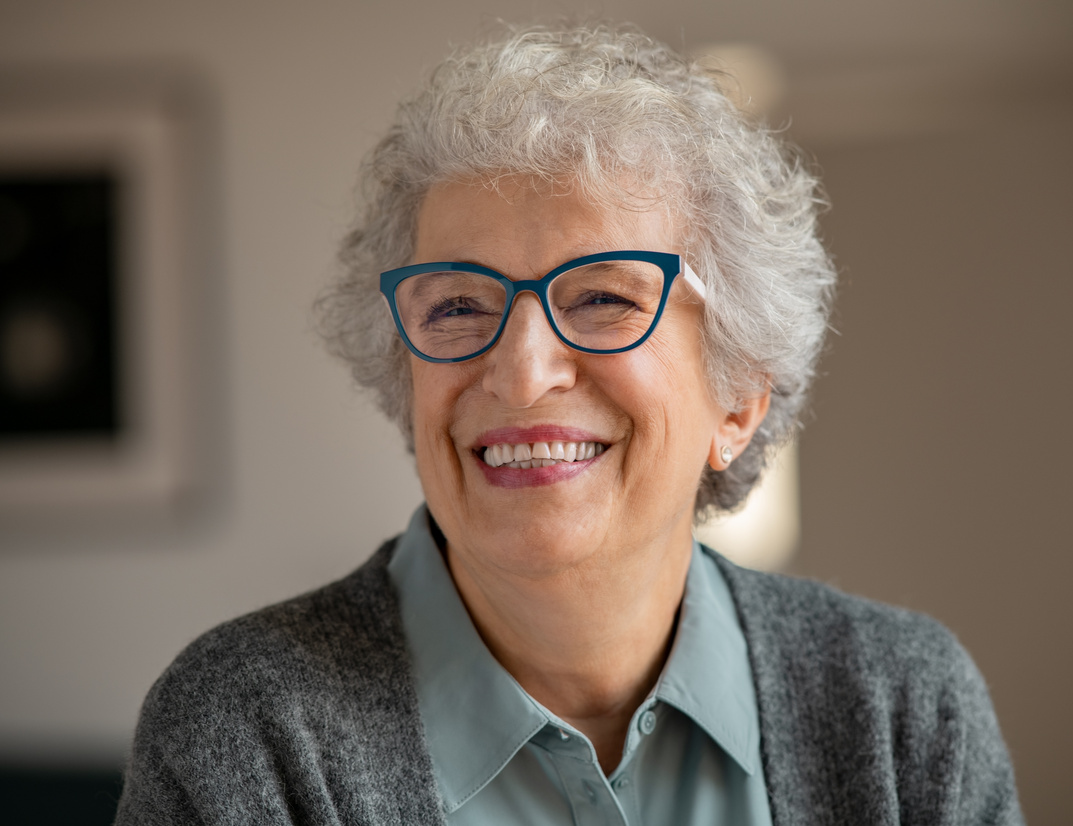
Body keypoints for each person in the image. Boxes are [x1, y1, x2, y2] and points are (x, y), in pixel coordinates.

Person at [115, 22, 1023, 826]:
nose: (520, 373)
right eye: (460, 306)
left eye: (599, 297)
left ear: (738, 397)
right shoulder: (243, 732)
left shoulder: (901, 708)